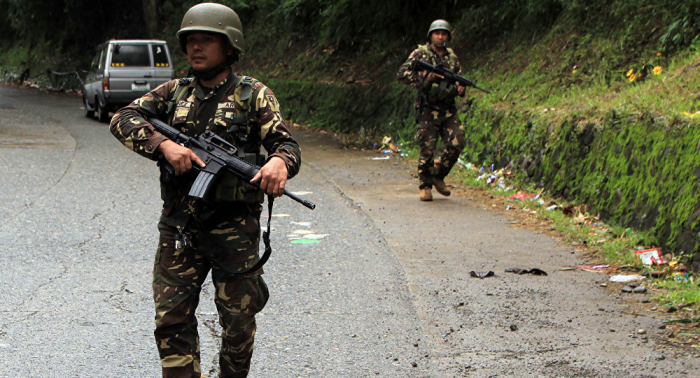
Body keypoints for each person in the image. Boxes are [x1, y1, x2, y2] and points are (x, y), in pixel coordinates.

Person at [109, 3, 301, 377]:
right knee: (171, 321)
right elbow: (123, 117)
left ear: (229, 47)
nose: (196, 48)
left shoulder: (253, 95)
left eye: (207, 41)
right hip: (180, 227)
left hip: (235, 231)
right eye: (191, 41)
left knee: (238, 326)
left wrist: (279, 163)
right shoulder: (174, 92)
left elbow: (286, 145)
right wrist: (162, 145)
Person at [397, 19, 467, 202]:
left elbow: (458, 78)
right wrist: (424, 78)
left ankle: (438, 175)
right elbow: (402, 73)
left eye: (444, 34)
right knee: (427, 149)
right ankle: (425, 186)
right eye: (437, 33)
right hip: (428, 108)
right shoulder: (421, 54)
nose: (440, 36)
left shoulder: (452, 57)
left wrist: (461, 89)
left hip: (448, 109)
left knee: (457, 142)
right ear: (431, 35)